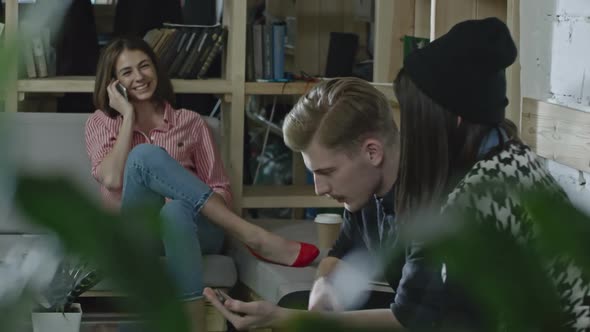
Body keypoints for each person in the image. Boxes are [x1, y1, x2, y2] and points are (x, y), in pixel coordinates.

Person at [204, 17, 590, 331]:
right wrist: (321, 296)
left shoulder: (464, 195)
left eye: (416, 114)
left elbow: (415, 318)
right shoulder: (491, 149)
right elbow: (345, 256)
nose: (408, 128)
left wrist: (294, 321)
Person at [84, 37, 319, 332]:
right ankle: (250, 234)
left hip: (196, 228)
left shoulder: (190, 122)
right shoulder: (101, 123)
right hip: (137, 232)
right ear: (113, 83)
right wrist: (128, 116)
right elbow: (112, 178)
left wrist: (180, 197)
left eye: (144, 66)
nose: (139, 76)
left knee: (176, 212)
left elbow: (221, 188)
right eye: (127, 72)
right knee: (144, 156)